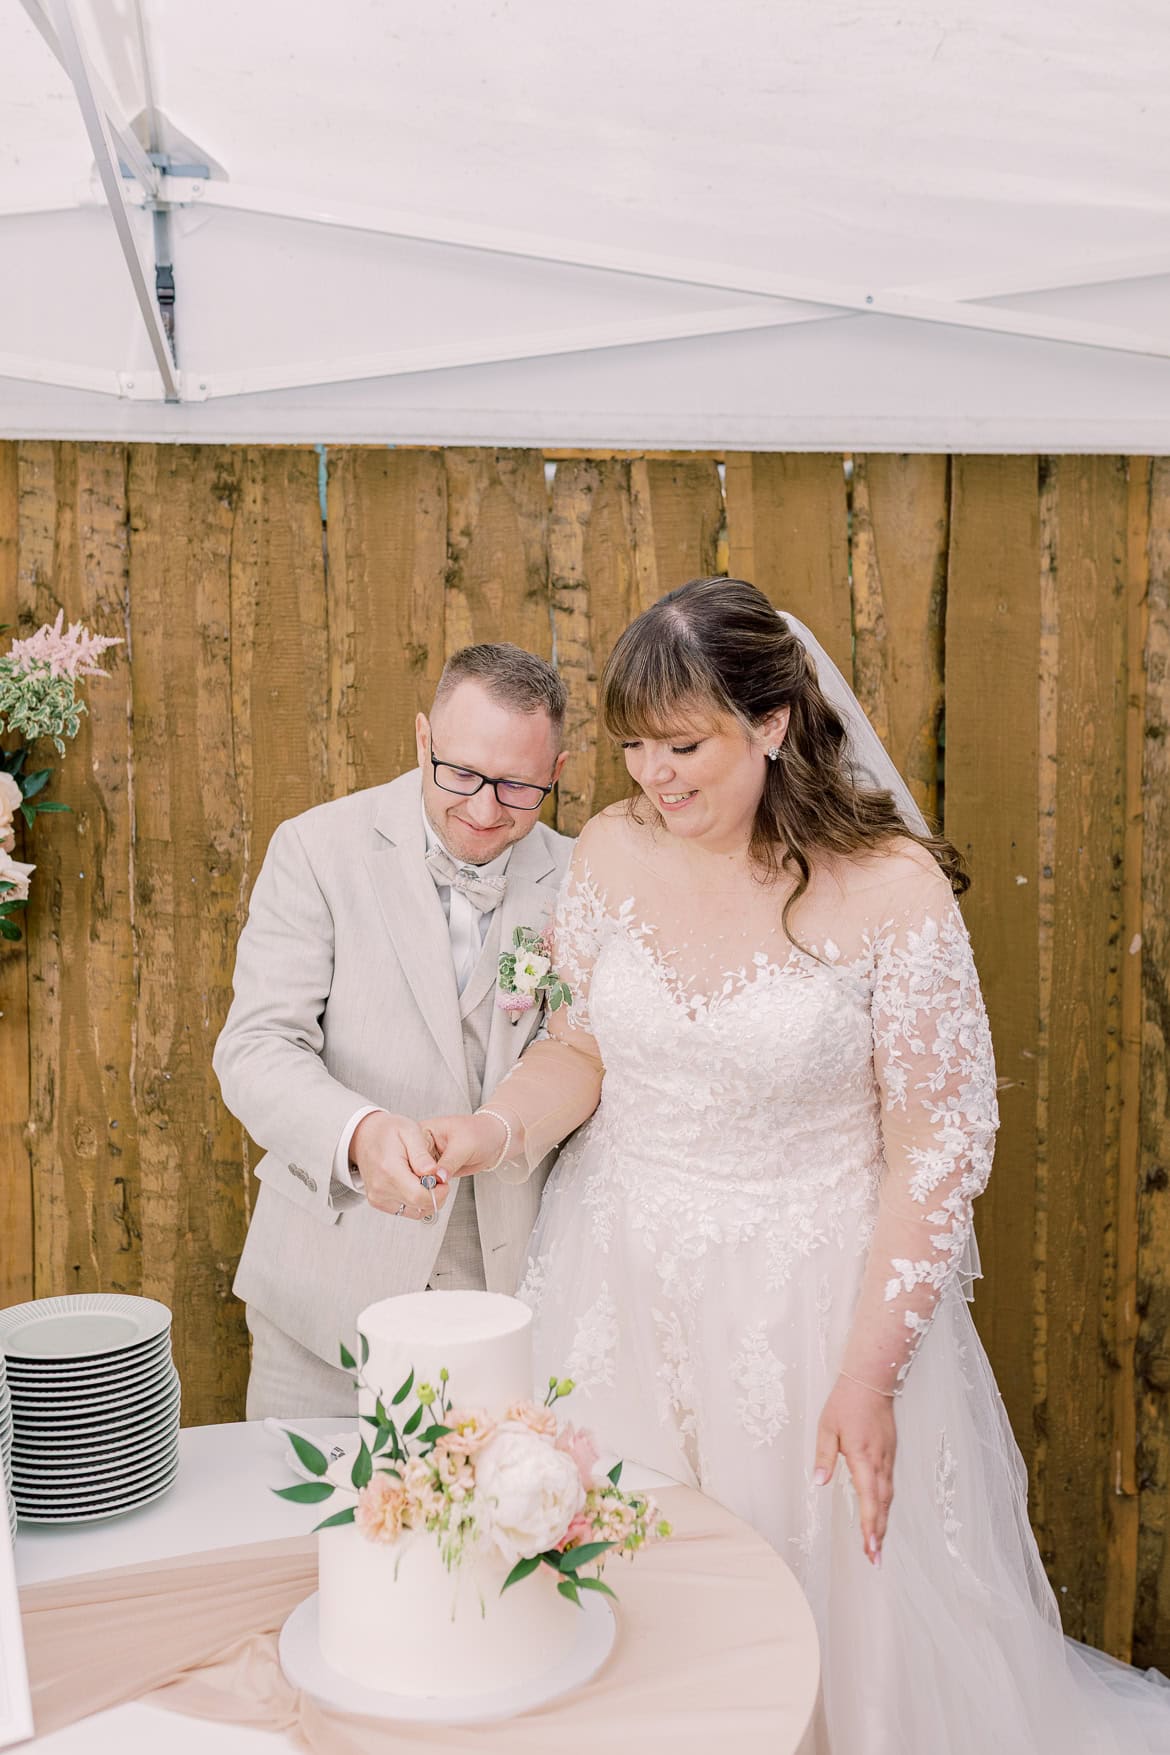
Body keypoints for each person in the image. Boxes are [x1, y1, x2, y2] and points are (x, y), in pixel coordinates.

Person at [424, 579, 1170, 1753]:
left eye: (685, 744)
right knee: (620, 1608)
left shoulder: (893, 889)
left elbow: (938, 1145)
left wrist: (867, 1378)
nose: (654, 778)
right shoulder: (615, 850)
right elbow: (578, 1048)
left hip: (813, 1313)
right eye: (632, 748)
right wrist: (488, 1131)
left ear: (770, 725)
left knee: (812, 1617)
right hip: (612, 1278)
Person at [213, 644, 574, 1419]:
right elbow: (255, 1048)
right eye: (461, 774)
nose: (484, 809)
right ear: (421, 740)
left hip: (509, 1309)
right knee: (304, 1532)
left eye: (518, 786)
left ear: (557, 770)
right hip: (322, 1308)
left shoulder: (581, 883)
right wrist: (358, 1132)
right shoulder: (315, 849)